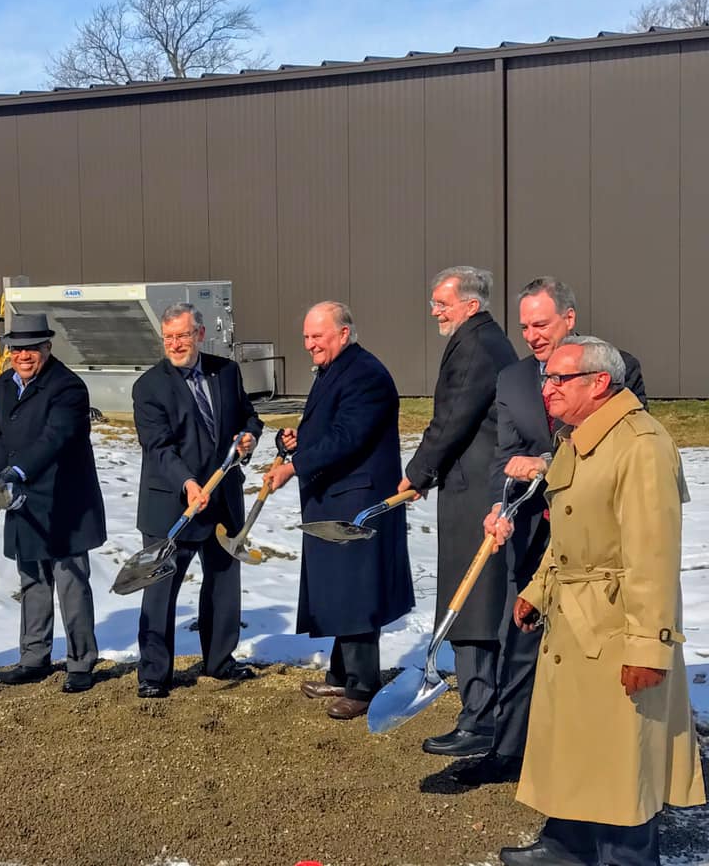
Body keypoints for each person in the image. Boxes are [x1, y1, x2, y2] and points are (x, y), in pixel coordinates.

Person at [492, 337, 704, 866]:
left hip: (616, 626)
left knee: (617, 756)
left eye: (559, 379)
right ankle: (568, 846)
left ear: (599, 383)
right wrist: (537, 591)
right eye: (547, 378)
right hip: (574, 622)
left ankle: (625, 858)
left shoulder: (641, 444)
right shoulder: (579, 438)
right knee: (575, 740)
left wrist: (647, 647)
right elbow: (566, 534)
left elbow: (654, 558)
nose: (548, 389)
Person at [457, 277, 648, 786]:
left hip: (594, 539)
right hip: (532, 534)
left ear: (569, 318)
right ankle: (510, 751)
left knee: (591, 648)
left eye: (541, 324)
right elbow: (504, 459)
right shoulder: (514, 380)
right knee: (518, 640)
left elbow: (618, 447)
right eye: (524, 326)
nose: (532, 335)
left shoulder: (616, 367)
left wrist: (543, 463)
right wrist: (501, 507)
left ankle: (594, 754)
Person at [264, 302, 413, 720]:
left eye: (318, 336)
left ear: (344, 333)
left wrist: (295, 466)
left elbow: (349, 437)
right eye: (307, 337)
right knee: (338, 588)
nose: (310, 344)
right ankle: (341, 673)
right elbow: (328, 429)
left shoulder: (365, 374)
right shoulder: (336, 369)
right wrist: (295, 441)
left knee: (356, 590)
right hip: (334, 495)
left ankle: (364, 686)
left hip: (357, 500)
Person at [399, 266, 517, 756]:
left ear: (471, 304)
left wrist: (417, 472)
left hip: (474, 494)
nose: (434, 311)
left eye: (442, 303)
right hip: (473, 485)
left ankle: (479, 719)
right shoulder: (484, 339)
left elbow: (452, 418)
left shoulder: (475, 346)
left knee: (470, 603)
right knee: (475, 601)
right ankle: (483, 712)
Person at [132, 302, 263, 699]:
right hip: (172, 505)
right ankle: (154, 674)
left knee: (223, 584)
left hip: (222, 501)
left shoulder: (226, 372)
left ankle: (220, 661)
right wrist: (188, 483)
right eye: (168, 337)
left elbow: (249, 417)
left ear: (200, 335)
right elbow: (158, 448)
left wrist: (249, 437)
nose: (175, 344)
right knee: (160, 590)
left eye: (183, 336)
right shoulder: (149, 386)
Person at [0, 312, 106, 693]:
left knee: (71, 581)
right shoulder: (6, 384)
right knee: (32, 578)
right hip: (22, 498)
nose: (23, 355)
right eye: (17, 349)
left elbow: (54, 439)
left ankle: (81, 662)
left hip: (64, 500)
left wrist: (16, 471)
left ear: (47, 348)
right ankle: (34, 657)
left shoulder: (68, 387)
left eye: (32, 348)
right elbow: (0, 435)